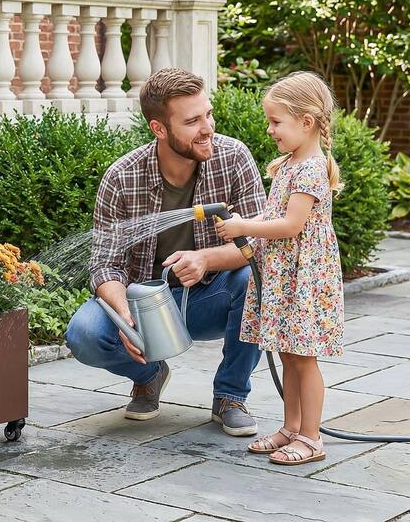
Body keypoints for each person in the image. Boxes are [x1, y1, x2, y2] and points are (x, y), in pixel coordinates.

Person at [66, 68, 267, 437]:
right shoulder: (122, 177)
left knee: (257, 280)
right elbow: (104, 264)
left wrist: (206, 258)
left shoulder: (234, 157)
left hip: (209, 297)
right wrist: (124, 316)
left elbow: (259, 244)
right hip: (144, 304)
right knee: (84, 333)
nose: (207, 127)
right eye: (192, 121)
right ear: (159, 129)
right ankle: (150, 374)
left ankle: (230, 395)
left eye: (208, 113)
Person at [215, 71, 344, 466]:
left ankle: (312, 436)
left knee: (304, 357)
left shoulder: (310, 168)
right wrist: (249, 225)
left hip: (305, 277)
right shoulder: (288, 164)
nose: (270, 129)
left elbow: (291, 226)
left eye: (276, 122)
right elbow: (277, 216)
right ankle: (291, 428)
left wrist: (243, 226)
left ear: (306, 123)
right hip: (285, 273)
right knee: (288, 353)